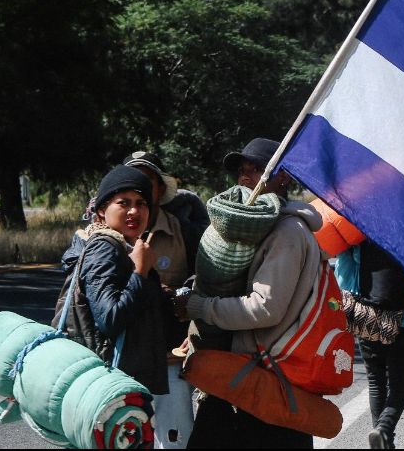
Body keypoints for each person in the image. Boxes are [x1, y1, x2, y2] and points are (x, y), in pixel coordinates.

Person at [173, 137, 323, 449]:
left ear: (282, 177)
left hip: (267, 383)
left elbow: (264, 308)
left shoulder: (287, 232)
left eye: (256, 169)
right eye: (241, 170)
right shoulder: (261, 227)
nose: (244, 177)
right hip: (246, 377)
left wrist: (200, 307)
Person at [123, 151, 208, 449]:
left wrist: (180, 295)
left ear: (160, 189)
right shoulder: (105, 235)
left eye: (147, 182)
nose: (140, 189)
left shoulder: (185, 231)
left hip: (170, 359)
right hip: (120, 361)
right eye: (132, 182)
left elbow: (206, 282)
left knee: (175, 442)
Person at [60, 165, 169, 394]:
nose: (134, 211)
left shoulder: (124, 246)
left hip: (121, 380)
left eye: (141, 203)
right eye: (124, 203)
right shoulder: (104, 248)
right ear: (102, 210)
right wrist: (140, 272)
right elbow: (110, 318)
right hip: (109, 382)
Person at [352, 238, 404, 449]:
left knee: (376, 380)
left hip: (366, 312)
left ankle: (382, 440)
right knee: (400, 385)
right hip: (399, 318)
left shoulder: (364, 234)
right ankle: (384, 429)